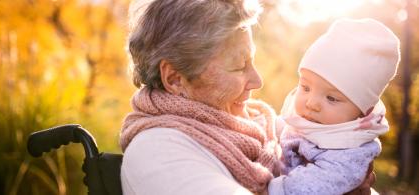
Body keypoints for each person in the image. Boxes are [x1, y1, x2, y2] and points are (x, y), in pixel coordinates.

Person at [120, 0, 375, 194]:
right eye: (239, 66)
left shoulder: (266, 128)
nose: (257, 81)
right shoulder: (158, 152)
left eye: (252, 61)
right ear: (175, 79)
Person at [269, 18, 400, 194]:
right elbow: (284, 128)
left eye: (331, 98)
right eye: (306, 87)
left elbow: (309, 187)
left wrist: (269, 188)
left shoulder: (349, 153)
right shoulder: (316, 122)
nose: (311, 103)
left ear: (363, 112)